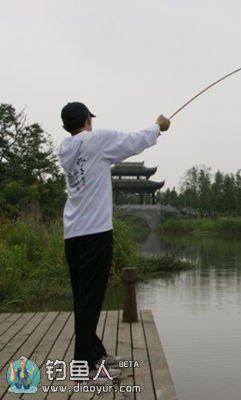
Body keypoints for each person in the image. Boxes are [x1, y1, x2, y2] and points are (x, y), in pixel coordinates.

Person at [58, 102, 170, 377]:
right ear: (87, 119)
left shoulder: (65, 149)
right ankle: (84, 366)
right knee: (91, 299)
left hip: (72, 234)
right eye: (90, 119)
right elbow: (134, 141)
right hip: (95, 233)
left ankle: (95, 355)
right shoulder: (97, 140)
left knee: (83, 298)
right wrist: (158, 127)